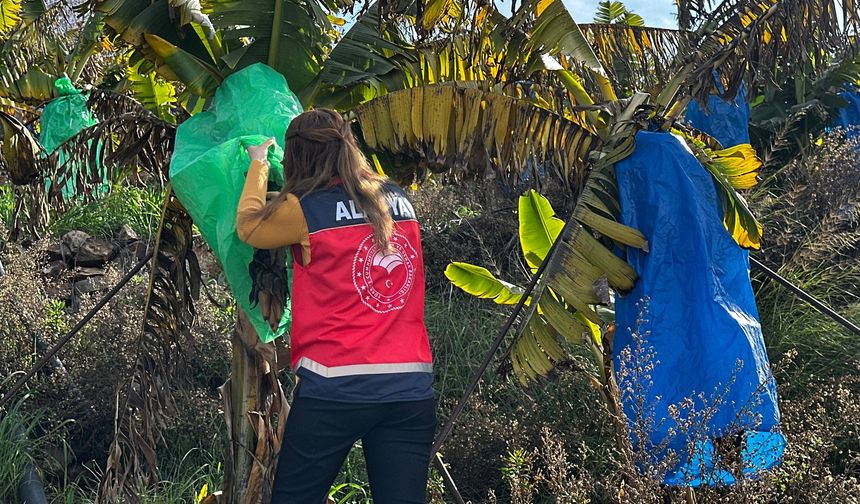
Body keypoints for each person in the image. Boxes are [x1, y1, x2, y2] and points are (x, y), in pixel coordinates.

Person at [236, 108, 436, 503]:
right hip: (409, 388)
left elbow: (249, 227)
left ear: (299, 157)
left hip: (336, 387)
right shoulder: (397, 199)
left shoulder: (305, 208)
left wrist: (258, 164)